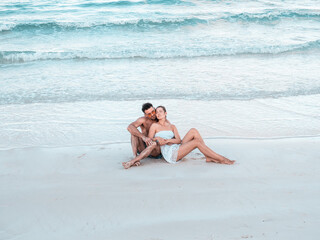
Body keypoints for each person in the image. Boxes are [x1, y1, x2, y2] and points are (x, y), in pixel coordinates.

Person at [123, 106, 235, 169]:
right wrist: (159, 140)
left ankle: (209, 156)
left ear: (166, 113)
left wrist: (168, 140)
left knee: (193, 131)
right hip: (170, 153)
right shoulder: (154, 126)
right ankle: (222, 159)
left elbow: (179, 140)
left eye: (160, 111)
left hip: (176, 146)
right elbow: (151, 139)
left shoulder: (172, 126)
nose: (157, 114)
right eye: (156, 112)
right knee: (196, 142)